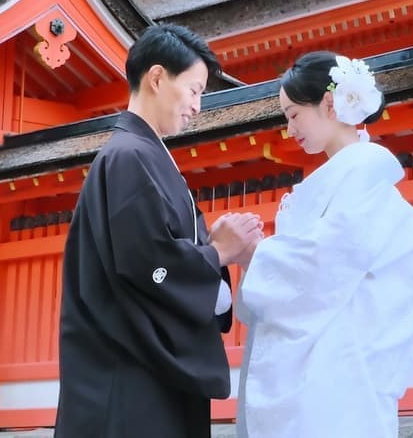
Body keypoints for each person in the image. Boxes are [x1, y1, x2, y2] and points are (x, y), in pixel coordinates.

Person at [55, 24, 262, 438]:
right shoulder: (129, 156)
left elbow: (154, 254)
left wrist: (208, 247)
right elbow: (146, 263)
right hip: (127, 374)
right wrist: (216, 252)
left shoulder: (139, 154)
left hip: (138, 369)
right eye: (194, 90)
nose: (197, 106)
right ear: (156, 78)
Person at [235, 52, 413, 438]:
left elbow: (319, 265)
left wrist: (254, 255)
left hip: (338, 371)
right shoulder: (348, 179)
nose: (288, 128)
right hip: (336, 369)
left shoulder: (361, 179)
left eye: (294, 114)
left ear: (329, 103)